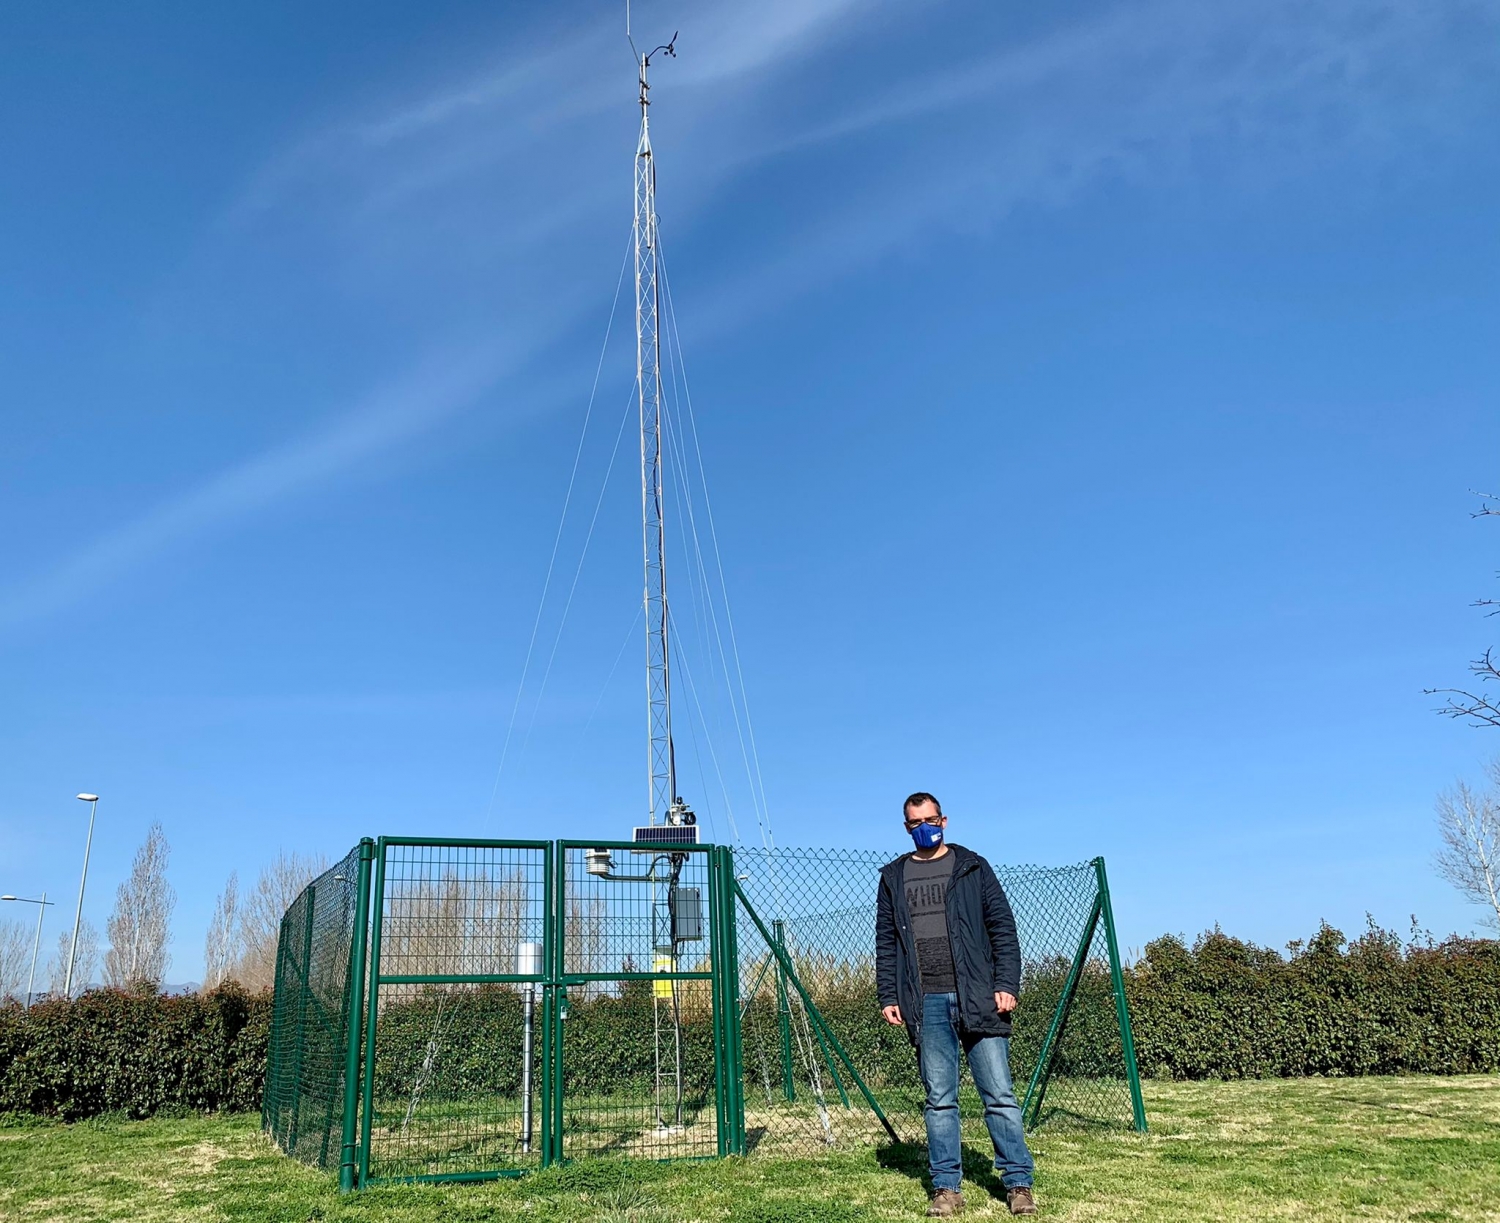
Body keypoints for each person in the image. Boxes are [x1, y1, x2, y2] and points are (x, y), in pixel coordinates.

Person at [875, 792, 1037, 1217]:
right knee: (939, 1100)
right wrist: (889, 995)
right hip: (925, 1002)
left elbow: (1002, 928)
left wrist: (1006, 983)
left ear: (944, 820)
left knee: (999, 1095)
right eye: (915, 822)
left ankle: (1018, 1183)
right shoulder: (893, 876)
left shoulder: (972, 866)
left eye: (930, 819)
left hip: (979, 997)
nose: (924, 827)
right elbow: (887, 943)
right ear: (906, 827)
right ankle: (946, 1189)